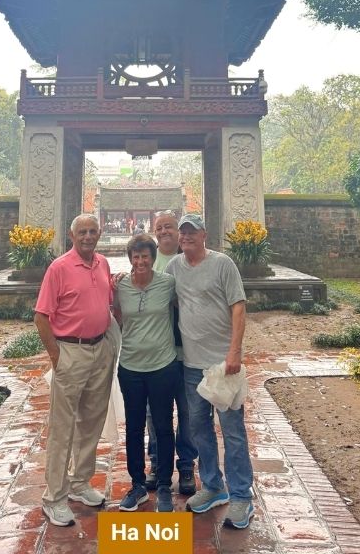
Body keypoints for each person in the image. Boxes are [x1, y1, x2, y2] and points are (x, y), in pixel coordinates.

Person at [165, 213, 255, 528]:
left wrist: (235, 351)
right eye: (183, 232)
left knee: (232, 430)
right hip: (192, 364)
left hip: (223, 362)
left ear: (204, 234)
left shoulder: (222, 264)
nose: (187, 236)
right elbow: (161, 297)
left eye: (192, 231)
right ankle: (214, 486)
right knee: (198, 429)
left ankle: (242, 495)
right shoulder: (174, 267)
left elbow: (239, 307)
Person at [34, 214, 118, 527]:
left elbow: (107, 303)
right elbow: (42, 316)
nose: (87, 236)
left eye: (92, 231)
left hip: (100, 351)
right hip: (70, 351)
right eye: (82, 231)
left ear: (99, 234)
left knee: (92, 422)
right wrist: (57, 356)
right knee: (62, 427)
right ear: (72, 235)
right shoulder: (59, 268)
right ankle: (54, 497)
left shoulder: (103, 264)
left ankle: (80, 482)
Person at [113, 233, 181, 513]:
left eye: (145, 256)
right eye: (136, 256)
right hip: (130, 367)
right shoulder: (120, 286)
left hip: (163, 365)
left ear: (153, 258)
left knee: (164, 426)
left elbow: (186, 307)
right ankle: (138, 484)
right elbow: (116, 314)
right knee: (134, 426)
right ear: (130, 259)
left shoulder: (167, 283)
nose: (140, 261)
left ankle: (164, 485)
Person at [142, 210, 198, 496]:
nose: (165, 231)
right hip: (158, 351)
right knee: (156, 412)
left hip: (188, 349)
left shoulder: (189, 259)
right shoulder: (149, 261)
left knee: (189, 411)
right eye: (159, 227)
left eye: (170, 227)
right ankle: (156, 462)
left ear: (179, 231)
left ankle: (186, 465)